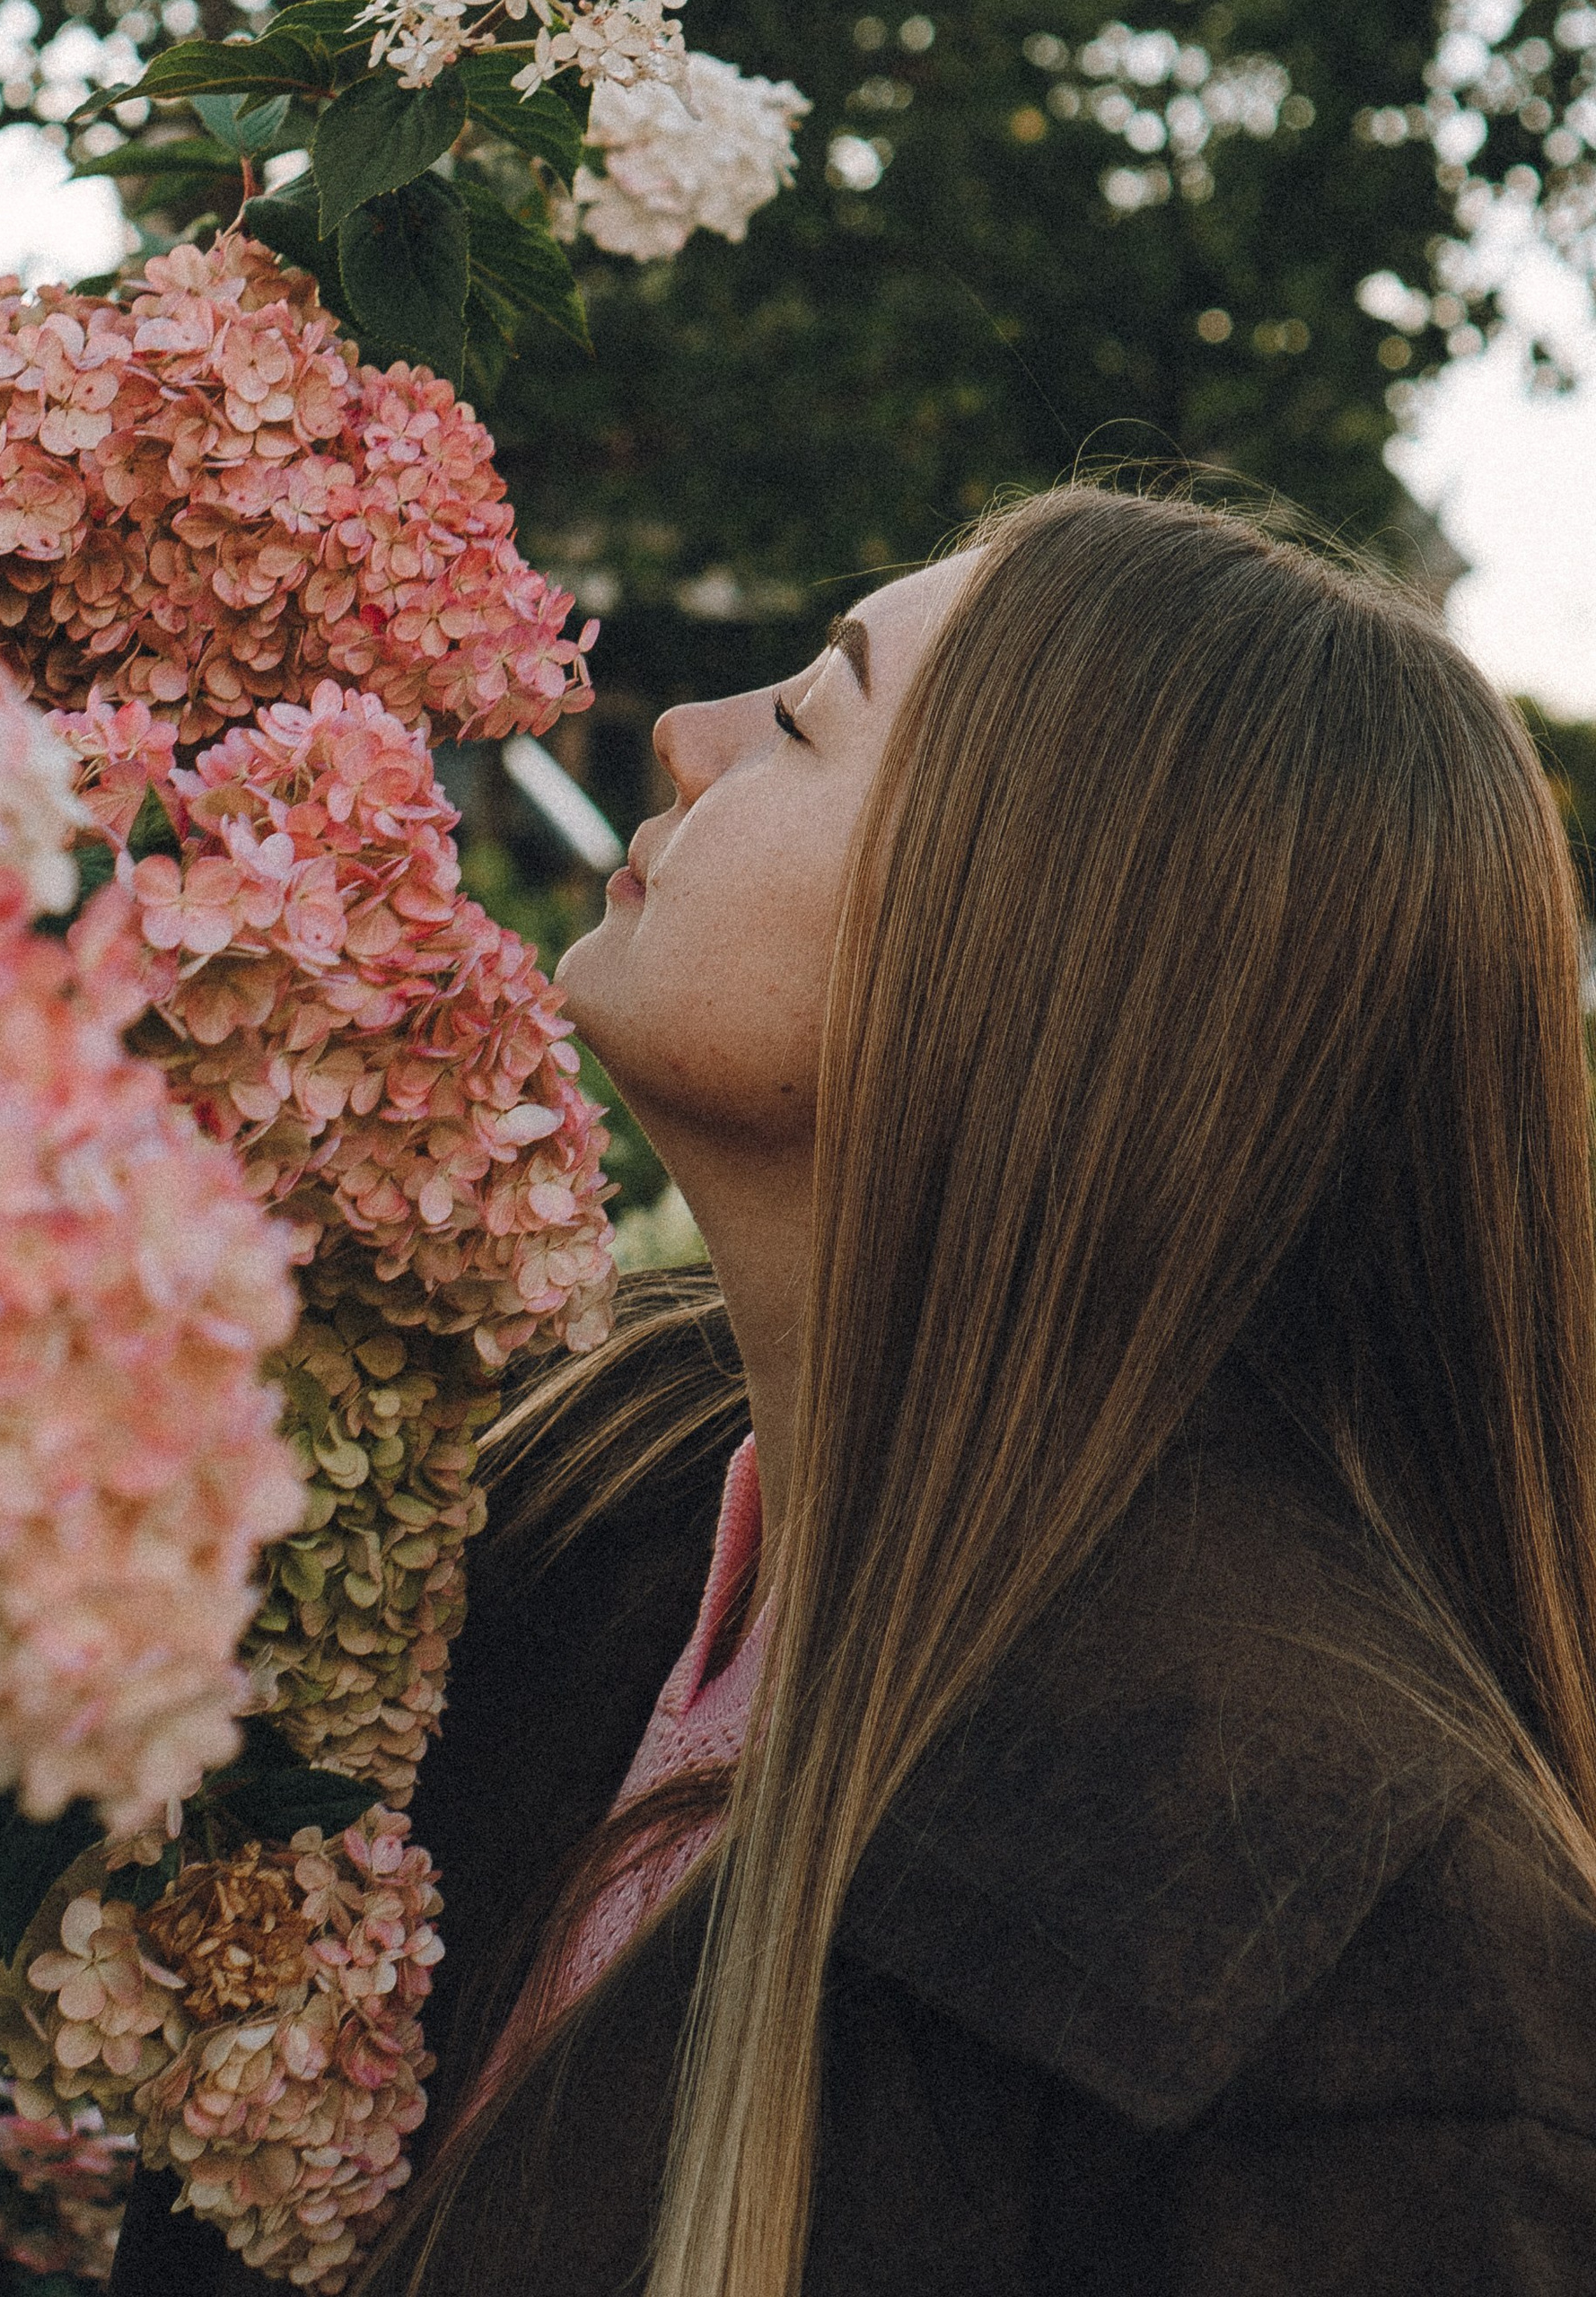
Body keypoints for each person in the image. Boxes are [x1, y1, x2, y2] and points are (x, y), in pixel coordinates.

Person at [111, 486, 1596, 2295]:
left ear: (1041, 958)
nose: (679, 731)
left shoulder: (1371, 2005)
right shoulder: (573, 1496)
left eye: (808, 716)